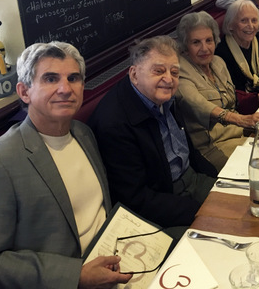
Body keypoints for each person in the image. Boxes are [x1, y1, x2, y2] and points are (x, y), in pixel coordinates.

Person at [0, 41, 132, 289]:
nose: (65, 89)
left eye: (73, 78)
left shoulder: (83, 133)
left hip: (117, 259)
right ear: (24, 92)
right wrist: (77, 276)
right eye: (50, 79)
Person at [89, 36, 217, 229]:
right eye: (158, 71)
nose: (169, 79)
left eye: (174, 72)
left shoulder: (163, 96)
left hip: (191, 179)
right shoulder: (114, 123)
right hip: (162, 203)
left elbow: (189, 151)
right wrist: (198, 211)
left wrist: (220, 181)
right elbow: (135, 199)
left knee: (244, 199)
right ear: (134, 74)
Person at [175, 12, 259, 172]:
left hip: (240, 132)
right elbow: (197, 104)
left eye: (209, 40)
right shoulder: (180, 71)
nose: (204, 48)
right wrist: (240, 119)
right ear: (185, 46)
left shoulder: (218, 62)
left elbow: (232, 99)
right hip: (213, 146)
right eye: (196, 42)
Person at [216, 0, 259, 98]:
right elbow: (232, 95)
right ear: (230, 25)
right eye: (243, 21)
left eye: (254, 20)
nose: (250, 26)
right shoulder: (221, 52)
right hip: (245, 105)